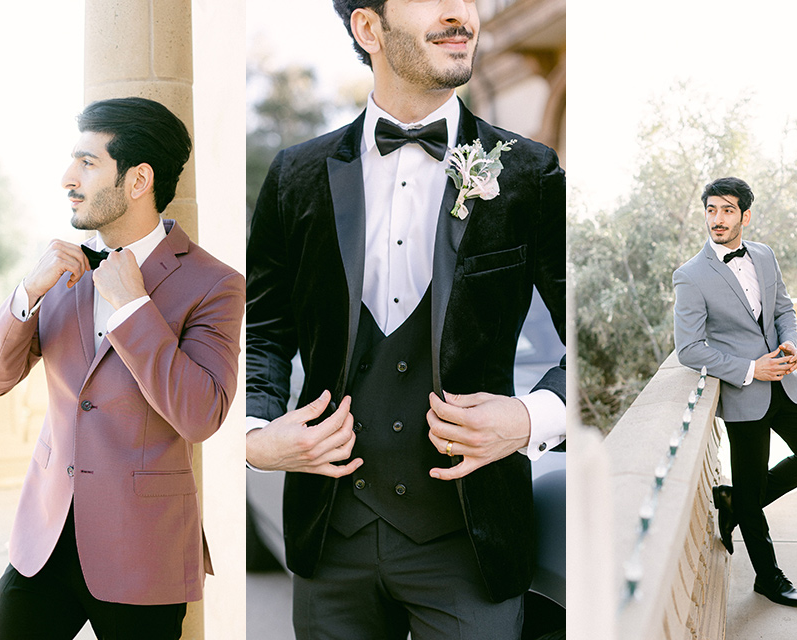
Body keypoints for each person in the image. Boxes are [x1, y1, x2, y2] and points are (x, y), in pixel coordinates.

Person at [241, 1, 568, 637]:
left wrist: (531, 417)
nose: (462, 14)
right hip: (328, 539)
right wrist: (255, 436)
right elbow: (264, 332)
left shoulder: (530, 172)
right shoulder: (295, 176)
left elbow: (592, 333)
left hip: (471, 541)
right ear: (369, 27)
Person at [0, 97, 246, 639]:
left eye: (87, 162)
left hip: (143, 553)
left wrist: (133, 309)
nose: (67, 178)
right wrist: (28, 291)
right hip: (43, 542)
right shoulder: (57, 270)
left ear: (138, 179)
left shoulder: (215, 284)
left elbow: (201, 415)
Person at [673, 176, 797, 608]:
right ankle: (768, 577)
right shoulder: (690, 276)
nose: (717, 219)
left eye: (727, 210)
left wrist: (791, 343)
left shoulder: (764, 256)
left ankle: (735, 502)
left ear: (745, 214)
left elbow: (783, 308)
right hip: (745, 394)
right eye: (711, 210)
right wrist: (750, 368)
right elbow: (688, 349)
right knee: (752, 490)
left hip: (785, 382)